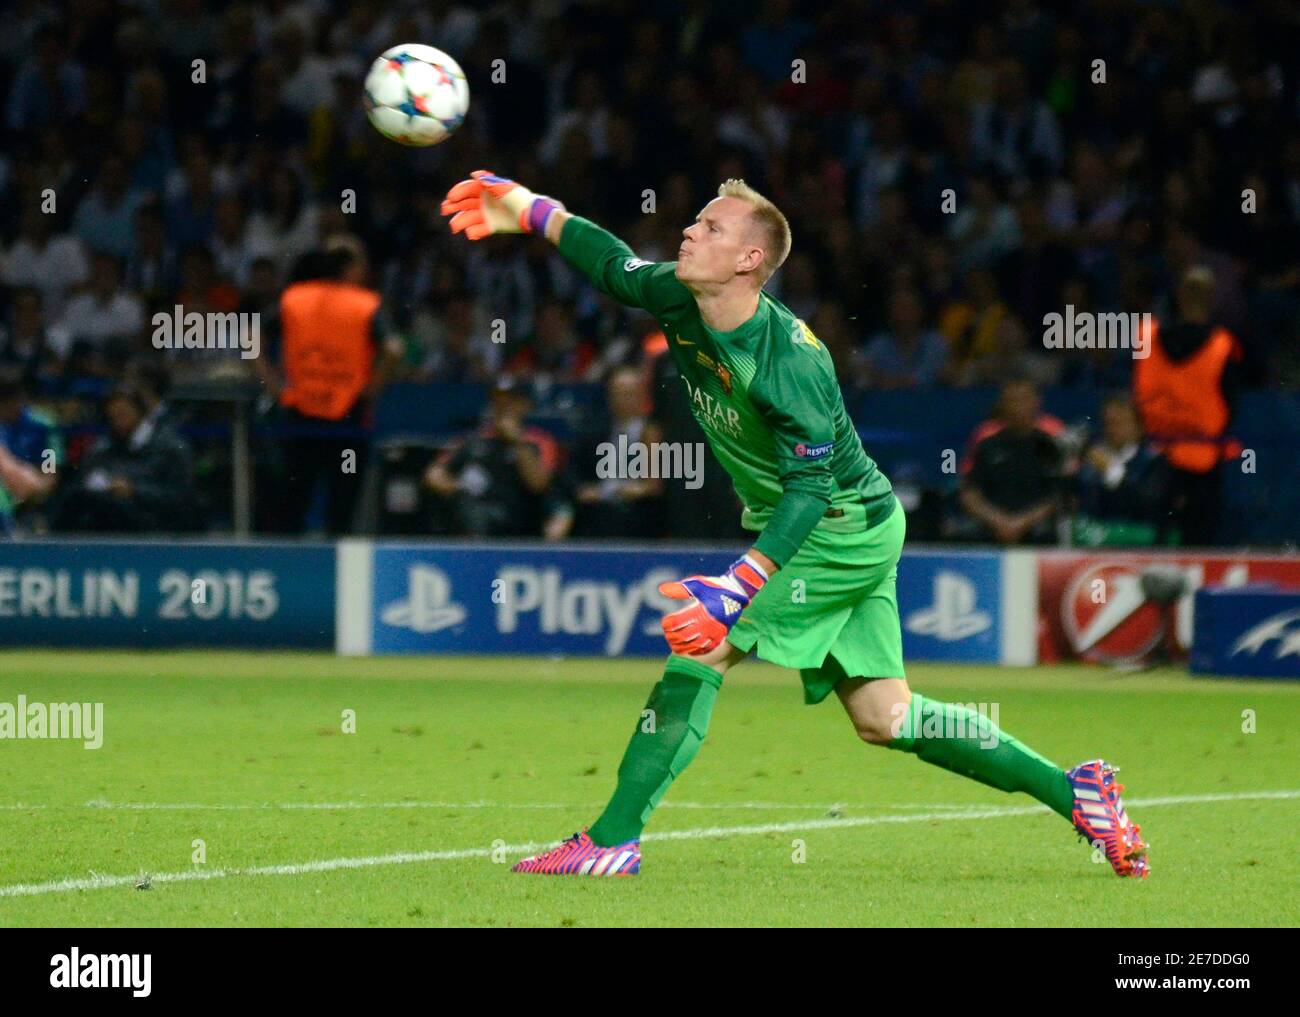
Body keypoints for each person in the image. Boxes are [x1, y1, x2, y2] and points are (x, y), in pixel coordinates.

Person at [440, 169, 1148, 878]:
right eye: (696, 220)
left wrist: (739, 584)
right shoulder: (678, 297)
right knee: (886, 717)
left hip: (835, 525)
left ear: (750, 261)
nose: (688, 230)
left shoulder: (791, 363)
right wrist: (532, 210)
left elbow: (809, 489)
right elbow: (610, 261)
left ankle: (611, 839)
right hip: (854, 524)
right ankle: (1074, 789)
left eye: (711, 227)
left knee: (701, 646)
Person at [272, 236, 401, 534]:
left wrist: (276, 387)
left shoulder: (294, 298)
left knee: (292, 504)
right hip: (348, 418)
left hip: (300, 418)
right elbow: (393, 348)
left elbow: (250, 337)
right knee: (341, 509)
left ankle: (288, 571)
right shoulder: (365, 304)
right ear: (351, 267)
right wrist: (373, 388)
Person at [1132, 265, 1242, 546]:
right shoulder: (1223, 344)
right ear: (1212, 297)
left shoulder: (1147, 334)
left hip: (1155, 455)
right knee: (1199, 542)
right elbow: (1231, 404)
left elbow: (1134, 392)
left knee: (1152, 539)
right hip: (1199, 457)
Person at [423, 376, 565, 539]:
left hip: (520, 526)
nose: (502, 407)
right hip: (474, 517)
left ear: (524, 406)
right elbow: (433, 473)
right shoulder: (472, 440)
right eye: (497, 401)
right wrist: (459, 487)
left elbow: (538, 484)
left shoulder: (539, 441)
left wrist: (516, 441)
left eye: (509, 402)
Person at [957, 377, 1067, 545]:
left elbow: (1059, 496)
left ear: (1037, 402)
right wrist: (998, 521)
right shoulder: (987, 446)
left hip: (1036, 528)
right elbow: (970, 494)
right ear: (1002, 405)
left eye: (1023, 400)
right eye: (1011, 401)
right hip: (992, 525)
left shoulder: (1051, 445)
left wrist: (1021, 523)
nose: (1017, 407)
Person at [1074, 395, 1173, 546]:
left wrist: (1113, 471)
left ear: (1139, 428)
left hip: (1142, 544)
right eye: (1108, 423)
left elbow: (1150, 501)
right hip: (1097, 543)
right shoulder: (1092, 460)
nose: (1112, 429)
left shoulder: (1155, 461)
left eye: (1119, 422)